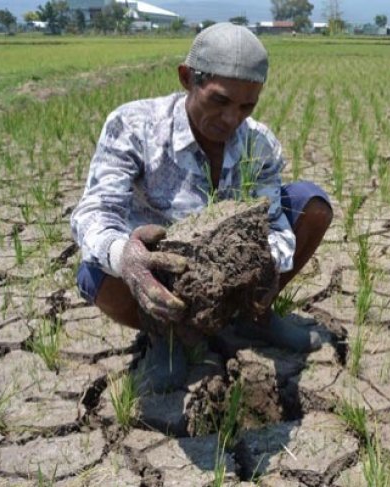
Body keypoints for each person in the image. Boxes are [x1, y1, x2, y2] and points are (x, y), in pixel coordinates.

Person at [70, 23, 333, 392]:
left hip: (233, 271)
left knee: (312, 205)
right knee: (96, 272)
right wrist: (126, 257)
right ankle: (169, 336)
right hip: (163, 272)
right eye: (220, 101)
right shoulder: (133, 126)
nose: (232, 119)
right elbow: (95, 211)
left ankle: (253, 316)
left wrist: (263, 274)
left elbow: (273, 221)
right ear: (187, 78)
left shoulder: (258, 144)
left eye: (246, 106)